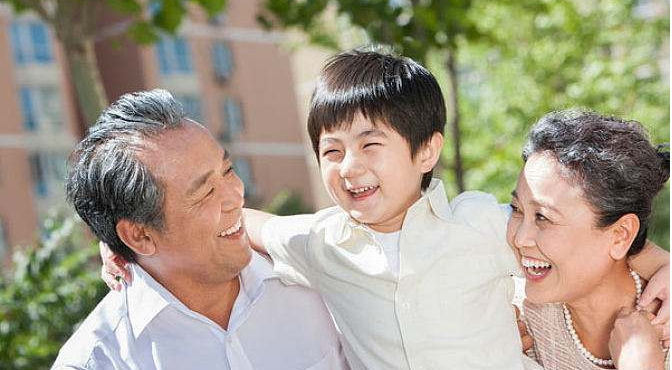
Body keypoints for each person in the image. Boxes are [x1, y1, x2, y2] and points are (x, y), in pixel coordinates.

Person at [103, 48, 669, 369]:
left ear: (427, 151)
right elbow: (249, 223)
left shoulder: (479, 224)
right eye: (331, 151)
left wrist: (662, 265)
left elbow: (575, 240)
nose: (349, 166)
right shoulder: (321, 244)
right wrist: (130, 240)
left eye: (371, 145)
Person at [52, 90, 348, 370]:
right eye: (206, 192)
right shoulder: (98, 361)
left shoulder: (316, 272)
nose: (236, 196)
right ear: (139, 235)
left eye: (228, 171)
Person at [508, 111, 669, 369]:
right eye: (516, 209)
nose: (519, 238)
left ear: (620, 235)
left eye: (542, 217)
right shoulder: (510, 318)